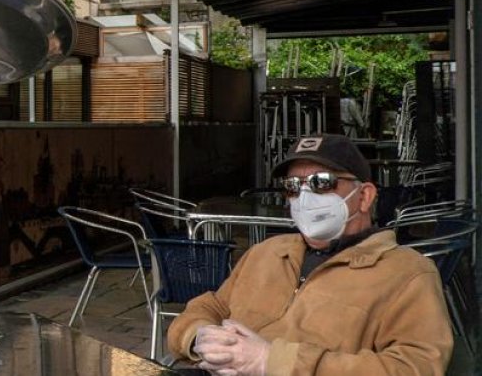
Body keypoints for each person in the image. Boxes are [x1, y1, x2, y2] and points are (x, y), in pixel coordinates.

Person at [167, 133, 453, 375]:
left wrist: (272, 361)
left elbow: (417, 366)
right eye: (293, 186)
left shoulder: (406, 273)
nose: (305, 197)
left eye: (321, 182)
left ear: (364, 196)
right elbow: (210, 307)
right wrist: (197, 336)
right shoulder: (267, 253)